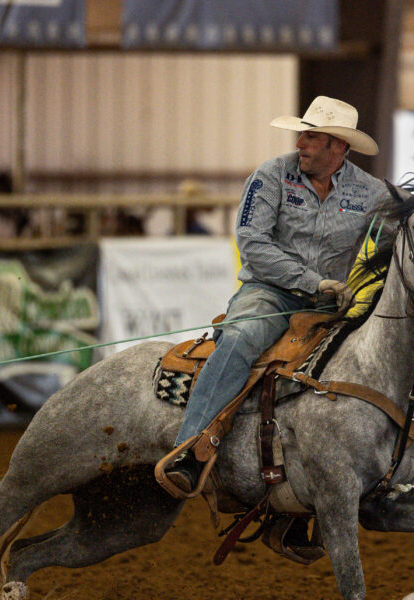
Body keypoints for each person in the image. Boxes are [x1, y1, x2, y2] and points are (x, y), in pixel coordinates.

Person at [161, 96, 389, 497]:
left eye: (311, 135)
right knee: (239, 338)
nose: (300, 142)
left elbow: (404, 231)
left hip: (332, 307)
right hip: (270, 293)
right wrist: (314, 282)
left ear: (338, 146)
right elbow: (252, 243)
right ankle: (189, 449)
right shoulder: (271, 176)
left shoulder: (372, 193)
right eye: (302, 134)